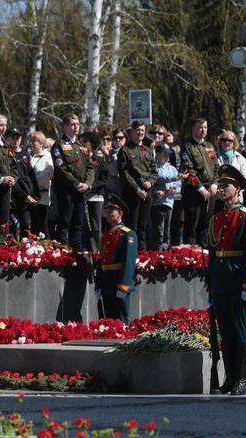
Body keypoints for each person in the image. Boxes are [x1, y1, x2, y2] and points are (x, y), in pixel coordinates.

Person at [207, 164, 246, 396]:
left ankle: (241, 379)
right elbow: (212, 252)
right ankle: (229, 378)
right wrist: (210, 283)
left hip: (238, 280)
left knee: (240, 329)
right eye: (219, 185)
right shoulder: (217, 218)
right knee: (226, 331)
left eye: (225, 185)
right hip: (221, 280)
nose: (220, 189)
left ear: (238, 189)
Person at [51, 113, 95, 253]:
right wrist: (76, 183)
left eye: (77, 124)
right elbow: (60, 167)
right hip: (66, 189)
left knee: (79, 221)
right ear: (65, 126)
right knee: (65, 221)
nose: (76, 127)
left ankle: (77, 248)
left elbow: (90, 167)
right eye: (73, 124)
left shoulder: (82, 145)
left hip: (81, 189)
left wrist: (87, 183)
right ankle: (63, 248)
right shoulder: (59, 145)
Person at [95, 195, 138, 324]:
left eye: (111, 212)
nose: (107, 215)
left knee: (120, 319)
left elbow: (129, 261)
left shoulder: (128, 234)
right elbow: (101, 261)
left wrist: (124, 285)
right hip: (106, 281)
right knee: (108, 320)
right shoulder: (106, 235)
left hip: (118, 279)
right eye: (106, 212)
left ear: (120, 213)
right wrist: (98, 284)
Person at [117, 120, 158, 250]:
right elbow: (124, 173)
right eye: (137, 130)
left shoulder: (148, 150)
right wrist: (137, 189)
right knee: (131, 226)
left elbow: (154, 172)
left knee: (144, 226)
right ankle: (130, 252)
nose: (140, 133)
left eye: (142, 130)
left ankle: (142, 253)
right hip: (132, 193)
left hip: (147, 193)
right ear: (132, 132)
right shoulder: (125, 150)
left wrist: (150, 182)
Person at [181, 117, 219, 246]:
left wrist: (214, 184)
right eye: (200, 127)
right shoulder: (187, 146)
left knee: (206, 224)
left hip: (210, 191)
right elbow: (189, 170)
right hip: (194, 190)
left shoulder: (209, 146)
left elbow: (216, 167)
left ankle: (204, 253)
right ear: (193, 129)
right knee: (192, 224)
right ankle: (189, 256)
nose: (203, 130)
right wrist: (201, 189)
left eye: (205, 127)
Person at [151, 143, 185, 250]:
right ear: (157, 154)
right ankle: (157, 251)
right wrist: (156, 191)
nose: (167, 156)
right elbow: (157, 179)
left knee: (167, 229)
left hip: (169, 203)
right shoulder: (154, 167)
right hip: (157, 203)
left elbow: (178, 186)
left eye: (168, 154)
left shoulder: (172, 169)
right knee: (158, 230)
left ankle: (165, 252)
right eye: (164, 154)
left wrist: (173, 190)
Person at [80, 131, 110, 252]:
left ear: (91, 144)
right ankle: (83, 251)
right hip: (80, 196)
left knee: (96, 226)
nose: (81, 144)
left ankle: (96, 252)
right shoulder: (77, 158)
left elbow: (104, 177)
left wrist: (92, 187)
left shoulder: (99, 159)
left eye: (84, 142)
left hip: (95, 196)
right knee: (82, 225)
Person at [10, 127, 40, 239]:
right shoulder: (7, 154)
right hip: (14, 196)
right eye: (13, 138)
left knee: (26, 225)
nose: (16, 140)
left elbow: (31, 175)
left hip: (27, 195)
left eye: (18, 137)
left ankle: (24, 248)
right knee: (12, 225)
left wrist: (36, 193)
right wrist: (22, 195)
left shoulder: (25, 154)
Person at [28, 131, 54, 238]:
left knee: (42, 227)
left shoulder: (48, 157)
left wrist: (32, 186)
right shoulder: (28, 157)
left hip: (42, 197)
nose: (31, 143)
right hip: (28, 197)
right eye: (30, 141)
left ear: (42, 142)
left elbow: (47, 174)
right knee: (31, 227)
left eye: (34, 141)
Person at [215, 130, 246, 211]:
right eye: (224, 140)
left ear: (234, 143)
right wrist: (217, 190)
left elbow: (244, 178)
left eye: (229, 140)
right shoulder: (213, 156)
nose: (226, 142)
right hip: (217, 197)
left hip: (235, 198)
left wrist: (237, 191)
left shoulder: (240, 158)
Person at [167, 129, 184, 246]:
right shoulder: (165, 151)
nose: (165, 137)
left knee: (176, 221)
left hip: (178, 189)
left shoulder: (180, 151)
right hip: (168, 188)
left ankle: (176, 244)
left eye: (168, 135)